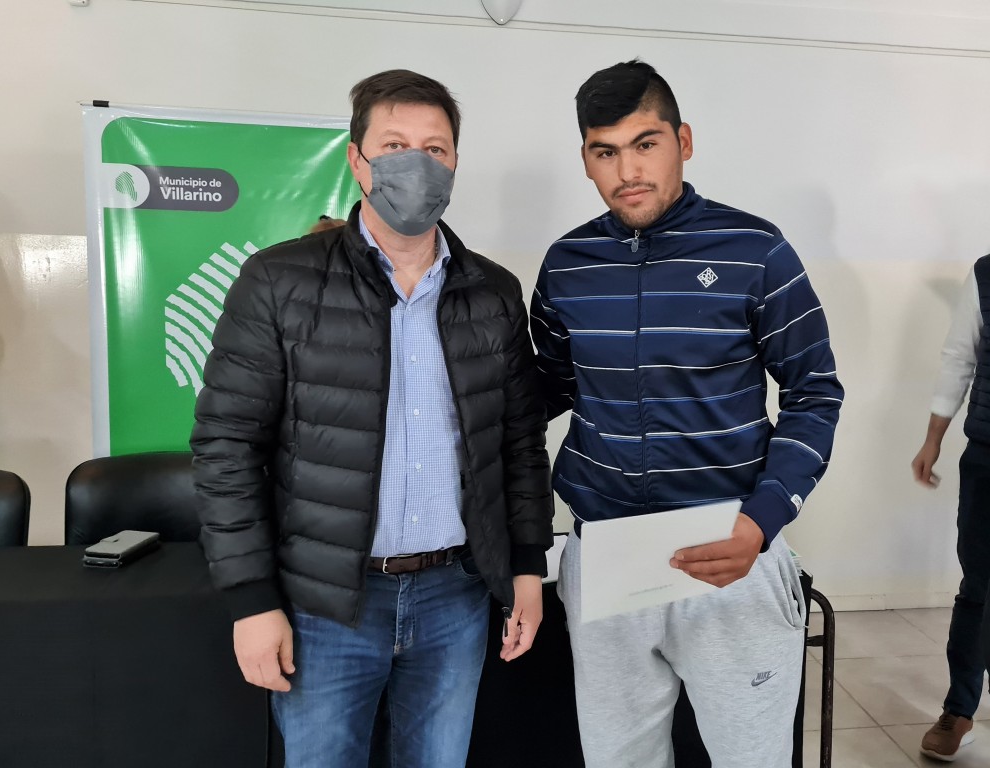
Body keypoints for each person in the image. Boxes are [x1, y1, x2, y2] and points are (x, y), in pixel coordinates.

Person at [191, 69, 553, 768]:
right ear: (358, 161)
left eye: (435, 149)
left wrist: (528, 568)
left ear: (455, 163)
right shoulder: (279, 281)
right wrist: (251, 599)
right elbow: (226, 446)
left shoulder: (494, 293)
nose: (417, 163)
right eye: (394, 145)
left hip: (455, 597)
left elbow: (519, 443)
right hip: (326, 604)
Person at [531, 60, 843, 768]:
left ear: (684, 141)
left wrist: (762, 519)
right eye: (605, 152)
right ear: (585, 158)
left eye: (646, 144)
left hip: (729, 550)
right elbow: (547, 389)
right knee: (619, 760)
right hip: (606, 556)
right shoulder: (567, 265)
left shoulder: (756, 250)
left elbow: (814, 392)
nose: (627, 171)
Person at [911, 256, 990, 761]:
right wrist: (933, 439)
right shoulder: (986, 274)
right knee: (977, 586)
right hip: (987, 455)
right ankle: (960, 709)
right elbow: (959, 357)